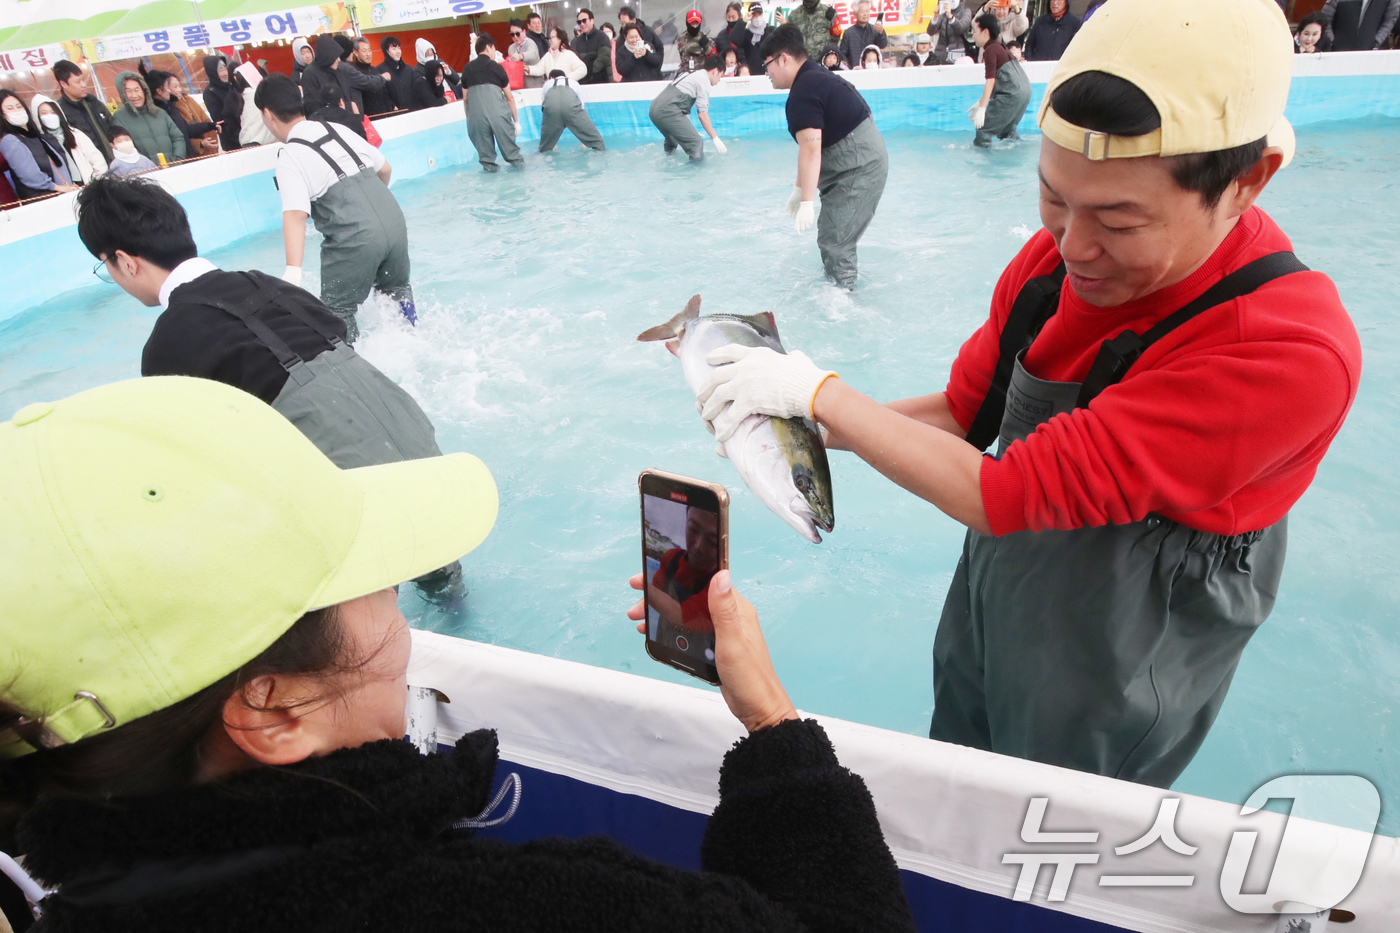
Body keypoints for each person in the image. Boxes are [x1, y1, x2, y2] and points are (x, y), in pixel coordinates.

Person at [699, 0, 1362, 790]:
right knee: (963, 766)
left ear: (1247, 182)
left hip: (1131, 616)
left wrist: (822, 392)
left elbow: (1008, 488)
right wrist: (796, 416)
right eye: (1053, 197)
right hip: (1005, 562)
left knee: (1061, 806)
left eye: (1118, 220)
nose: (1073, 246)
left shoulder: (1289, 349)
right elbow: (966, 418)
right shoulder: (1052, 265)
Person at [0, 363, 918, 933]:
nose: (397, 610)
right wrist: (773, 729)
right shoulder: (548, 909)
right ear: (270, 711)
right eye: (370, 580)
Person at [72, 173, 461, 598]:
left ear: (125, 261)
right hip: (426, 459)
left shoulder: (168, 343)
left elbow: (198, 469)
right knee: (442, 582)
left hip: (360, 494)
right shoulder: (270, 285)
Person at [257, 75, 415, 342]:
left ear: (267, 114)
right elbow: (385, 169)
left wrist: (292, 273)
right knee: (396, 291)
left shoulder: (290, 155)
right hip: (394, 220)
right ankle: (415, 340)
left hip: (356, 236)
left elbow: (295, 215)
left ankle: (355, 372)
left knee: (334, 311)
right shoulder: (336, 128)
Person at [760, 24, 888, 289]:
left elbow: (811, 149)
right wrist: (799, 189)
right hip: (857, 159)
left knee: (836, 242)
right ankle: (840, 288)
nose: (767, 73)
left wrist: (807, 201)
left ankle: (845, 304)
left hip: (859, 166)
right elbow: (807, 147)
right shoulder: (813, 76)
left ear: (783, 58)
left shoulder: (804, 90)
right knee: (832, 237)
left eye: (767, 65)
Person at [648, 505, 721, 636]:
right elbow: (657, 590)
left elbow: (682, 617)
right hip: (664, 643)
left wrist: (642, 586)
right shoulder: (671, 558)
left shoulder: (718, 585)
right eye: (693, 529)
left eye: (713, 541)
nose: (699, 546)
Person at [461, 35, 524, 173]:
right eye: (494, 48)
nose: (495, 51)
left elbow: (465, 99)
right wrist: (516, 121)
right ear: (488, 47)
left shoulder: (466, 69)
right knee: (513, 156)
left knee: (487, 162)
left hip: (475, 117)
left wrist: (470, 118)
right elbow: (509, 97)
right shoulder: (496, 67)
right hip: (498, 114)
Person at [0, 90, 77, 201]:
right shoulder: (10, 140)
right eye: (10, 108)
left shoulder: (37, 137)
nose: (17, 111)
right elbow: (30, 176)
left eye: (19, 106)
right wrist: (59, 188)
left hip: (62, 194)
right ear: (3, 115)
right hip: (44, 199)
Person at [967, 13, 1030, 148]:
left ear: (985, 32)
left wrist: (983, 109)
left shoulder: (990, 50)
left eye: (975, 32)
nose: (973, 36)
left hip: (1012, 94)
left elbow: (991, 80)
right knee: (1007, 132)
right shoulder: (1000, 46)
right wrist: (981, 102)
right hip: (1024, 92)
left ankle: (982, 164)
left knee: (983, 130)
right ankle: (1020, 151)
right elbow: (1003, 79)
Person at [648, 54, 728, 161]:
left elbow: (682, 108)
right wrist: (715, 137)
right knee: (696, 143)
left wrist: (689, 129)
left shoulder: (692, 74)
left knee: (672, 140)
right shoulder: (704, 81)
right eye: (720, 75)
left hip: (654, 109)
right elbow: (702, 114)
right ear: (715, 71)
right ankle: (695, 174)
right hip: (667, 110)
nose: (719, 80)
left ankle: (668, 164)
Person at [110, 71, 187, 166]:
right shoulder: (119, 118)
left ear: (144, 90)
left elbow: (177, 137)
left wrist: (177, 160)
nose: (134, 95)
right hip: (147, 171)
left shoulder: (160, 113)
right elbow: (126, 148)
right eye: (128, 91)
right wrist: (149, 165)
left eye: (137, 90)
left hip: (174, 168)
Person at [29, 94, 106, 184]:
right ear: (36, 116)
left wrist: (94, 181)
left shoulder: (75, 134)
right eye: (44, 113)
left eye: (53, 112)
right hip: (64, 191)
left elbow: (97, 160)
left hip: (89, 185)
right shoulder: (39, 142)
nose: (50, 116)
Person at [52, 60, 115, 163]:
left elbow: (111, 124)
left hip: (114, 160)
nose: (83, 85)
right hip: (93, 167)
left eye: (83, 80)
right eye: (77, 82)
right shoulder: (60, 111)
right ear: (63, 84)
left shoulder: (93, 102)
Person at [145, 69, 217, 155]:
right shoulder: (157, 113)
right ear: (159, 91)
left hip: (190, 156)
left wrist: (211, 125)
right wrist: (199, 143)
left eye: (179, 86)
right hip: (180, 159)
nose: (179, 90)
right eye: (170, 87)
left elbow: (186, 130)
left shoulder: (172, 106)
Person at [539, 71, 606, 152]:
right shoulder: (574, 82)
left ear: (551, 78)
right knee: (597, 142)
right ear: (565, 76)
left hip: (552, 111)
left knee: (544, 148)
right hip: (573, 110)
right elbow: (581, 104)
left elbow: (544, 105)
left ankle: (547, 149)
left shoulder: (547, 84)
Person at [1321, 0, 1400, 51]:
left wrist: (1376, 42)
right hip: (1337, 52)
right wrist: (1332, 42)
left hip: (1368, 53)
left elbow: (1389, 20)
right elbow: (1325, 19)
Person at [202, 55, 243, 151]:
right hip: (232, 141)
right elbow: (220, 120)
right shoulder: (210, 92)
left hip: (246, 134)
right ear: (213, 72)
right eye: (220, 70)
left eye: (225, 69)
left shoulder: (232, 86)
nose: (225, 73)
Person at [351, 36, 396, 116]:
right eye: (364, 51)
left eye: (369, 50)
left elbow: (385, 94)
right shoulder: (354, 72)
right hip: (368, 118)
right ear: (356, 53)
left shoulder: (376, 70)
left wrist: (392, 107)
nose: (368, 54)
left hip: (385, 116)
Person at [839, 1, 888, 68]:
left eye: (867, 11)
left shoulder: (874, 30)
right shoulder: (848, 33)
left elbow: (883, 45)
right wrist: (846, 66)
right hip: (854, 69)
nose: (865, 14)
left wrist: (881, 33)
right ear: (855, 14)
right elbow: (842, 54)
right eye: (862, 12)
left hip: (872, 69)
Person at [379, 36, 425, 109]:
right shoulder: (380, 70)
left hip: (412, 111)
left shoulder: (408, 68)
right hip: (394, 113)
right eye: (394, 49)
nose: (398, 51)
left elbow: (415, 89)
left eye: (399, 48)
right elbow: (382, 94)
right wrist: (392, 106)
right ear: (386, 51)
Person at [571, 8, 614, 84]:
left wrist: (588, 70)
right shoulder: (577, 41)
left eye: (584, 20)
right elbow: (575, 60)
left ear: (592, 20)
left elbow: (604, 58)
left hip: (602, 80)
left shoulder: (602, 37)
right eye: (579, 22)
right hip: (583, 81)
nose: (582, 24)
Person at [507, 19, 544, 89]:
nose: (515, 37)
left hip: (534, 85)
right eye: (512, 34)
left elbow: (532, 54)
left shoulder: (530, 43)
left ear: (524, 32)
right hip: (518, 85)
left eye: (518, 34)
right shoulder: (511, 48)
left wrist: (521, 56)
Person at [744, 3, 777, 74]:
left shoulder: (771, 30)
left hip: (769, 72)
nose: (757, 17)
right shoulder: (746, 33)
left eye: (759, 14)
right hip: (751, 73)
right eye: (754, 15)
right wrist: (744, 21)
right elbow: (735, 38)